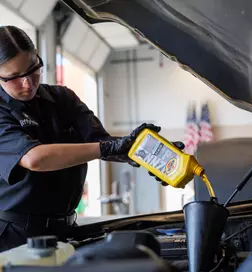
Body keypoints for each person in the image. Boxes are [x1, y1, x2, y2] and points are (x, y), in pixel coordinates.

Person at [0, 26, 184, 252]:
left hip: (64, 232)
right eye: (14, 78)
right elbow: (34, 158)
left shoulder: (62, 98)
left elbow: (103, 142)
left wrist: (150, 153)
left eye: (33, 69)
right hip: (14, 238)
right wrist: (109, 148)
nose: (27, 83)